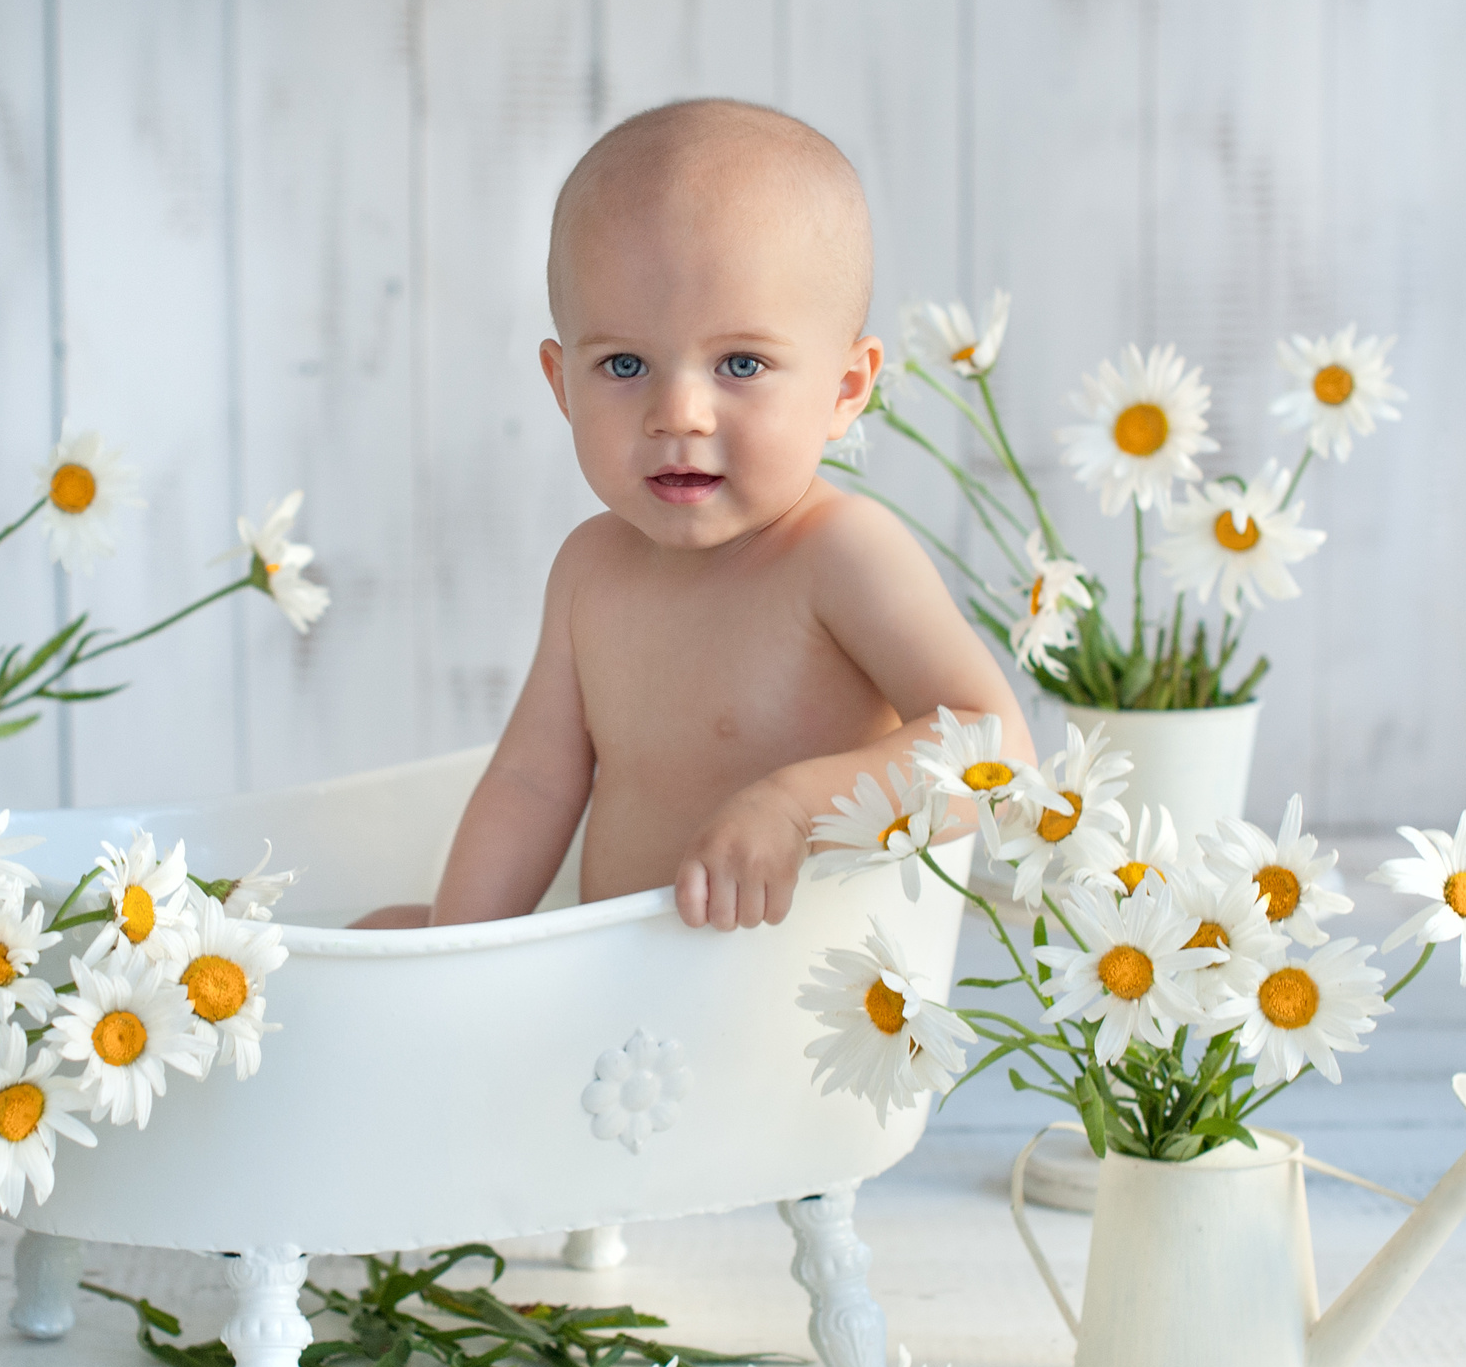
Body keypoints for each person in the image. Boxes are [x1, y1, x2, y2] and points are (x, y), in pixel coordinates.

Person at [357, 99, 1027, 933]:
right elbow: (534, 780)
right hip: (624, 1001)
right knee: (382, 934)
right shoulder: (590, 570)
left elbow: (992, 748)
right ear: (562, 385)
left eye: (741, 363)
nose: (679, 413)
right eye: (625, 364)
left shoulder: (840, 557)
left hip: (793, 1002)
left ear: (846, 390)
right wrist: (453, 943)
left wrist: (793, 807)